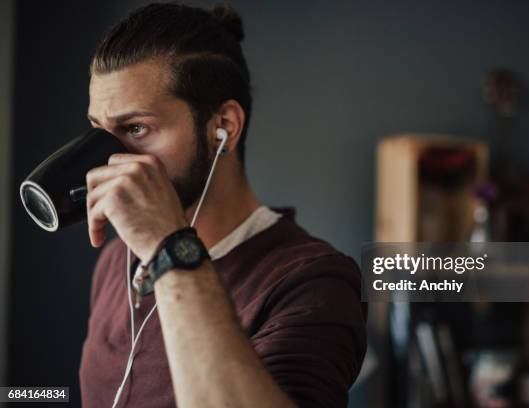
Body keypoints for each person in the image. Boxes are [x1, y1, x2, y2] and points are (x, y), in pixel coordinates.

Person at [78, 3, 367, 407]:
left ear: (223, 128)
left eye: (136, 128)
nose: (110, 161)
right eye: (99, 132)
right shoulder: (116, 261)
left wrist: (170, 249)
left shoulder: (313, 283)